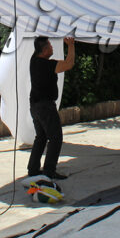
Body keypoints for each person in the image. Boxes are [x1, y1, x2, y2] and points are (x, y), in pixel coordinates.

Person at [27, 35, 75, 180]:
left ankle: (33, 169)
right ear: (44, 49)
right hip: (45, 106)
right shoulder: (47, 65)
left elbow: (38, 44)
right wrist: (71, 45)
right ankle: (49, 171)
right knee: (55, 138)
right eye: (50, 46)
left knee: (41, 137)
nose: (53, 48)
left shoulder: (33, 61)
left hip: (34, 105)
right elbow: (68, 64)